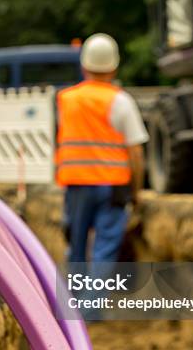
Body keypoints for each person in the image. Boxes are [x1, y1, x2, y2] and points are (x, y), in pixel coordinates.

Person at [56, 33, 149, 263]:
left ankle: (74, 299)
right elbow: (135, 152)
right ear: (114, 67)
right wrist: (136, 192)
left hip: (76, 185)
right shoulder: (121, 101)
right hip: (112, 187)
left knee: (75, 249)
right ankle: (92, 300)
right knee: (104, 253)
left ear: (84, 65)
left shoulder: (66, 99)